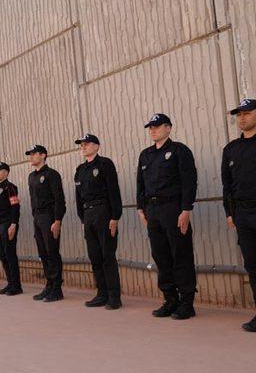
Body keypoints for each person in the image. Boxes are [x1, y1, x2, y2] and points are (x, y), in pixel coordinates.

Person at [137, 114, 198, 320]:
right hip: (153, 212)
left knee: (180, 254)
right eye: (150, 127)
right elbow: (140, 184)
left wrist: (186, 209)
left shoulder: (180, 151)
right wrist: (140, 209)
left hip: (174, 209)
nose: (152, 130)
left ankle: (187, 303)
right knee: (161, 256)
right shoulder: (145, 155)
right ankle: (170, 299)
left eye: (156, 126)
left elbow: (189, 181)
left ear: (168, 128)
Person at [74, 134, 123, 310]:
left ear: (96, 146)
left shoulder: (105, 164)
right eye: (81, 145)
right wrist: (82, 218)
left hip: (104, 212)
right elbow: (78, 198)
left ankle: (114, 296)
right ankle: (101, 293)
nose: (83, 147)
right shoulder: (80, 170)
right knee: (95, 256)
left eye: (86, 144)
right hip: (88, 215)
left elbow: (114, 191)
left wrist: (115, 217)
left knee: (107, 256)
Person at [223, 99, 256, 332]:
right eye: (238, 115)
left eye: (246, 113)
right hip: (243, 214)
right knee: (253, 265)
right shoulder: (231, 149)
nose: (241, 118)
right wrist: (230, 212)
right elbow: (228, 185)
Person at [26, 145, 66, 302]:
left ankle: (57, 289)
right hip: (37, 218)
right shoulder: (31, 176)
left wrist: (57, 220)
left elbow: (59, 199)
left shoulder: (52, 174)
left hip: (49, 217)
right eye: (30, 154)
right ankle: (49, 285)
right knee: (43, 253)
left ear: (43, 155)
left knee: (52, 252)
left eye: (34, 154)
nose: (31, 156)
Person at [0, 162, 22, 296]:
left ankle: (16, 285)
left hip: (8, 224)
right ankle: (10, 283)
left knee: (10, 255)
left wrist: (13, 224)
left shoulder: (10, 187)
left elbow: (15, 207)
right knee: (1, 255)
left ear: (6, 172)